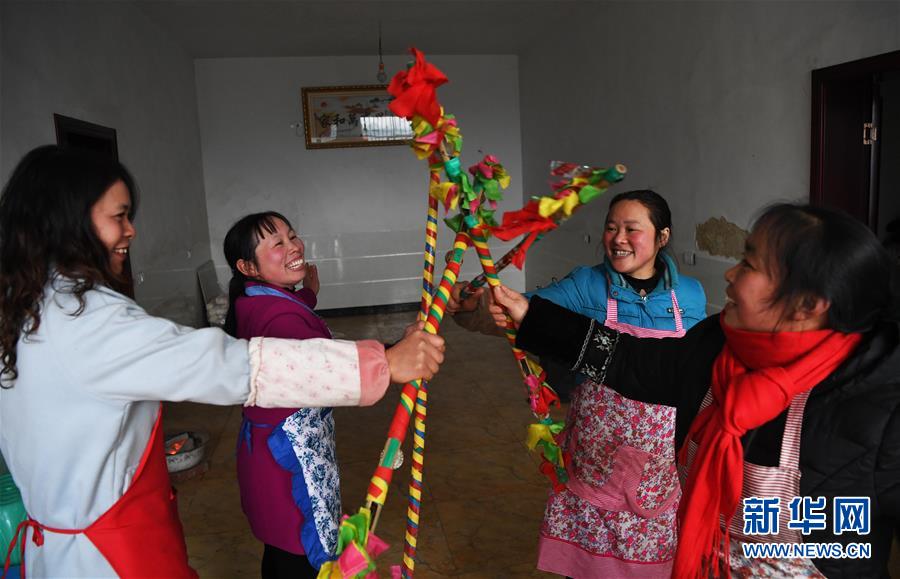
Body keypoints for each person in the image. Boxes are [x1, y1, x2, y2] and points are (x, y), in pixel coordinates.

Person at [0, 145, 445, 578]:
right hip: (105, 555)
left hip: (63, 543)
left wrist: (330, 311)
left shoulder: (25, 306)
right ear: (69, 222)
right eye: (119, 216)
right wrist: (383, 363)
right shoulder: (87, 320)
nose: (131, 230)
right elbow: (225, 365)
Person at [497, 203, 900, 578]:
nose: (730, 274)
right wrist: (532, 317)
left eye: (749, 264)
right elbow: (630, 360)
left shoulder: (881, 408)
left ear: (808, 305)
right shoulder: (717, 345)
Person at [449, 190, 707, 577]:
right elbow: (521, 312)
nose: (618, 239)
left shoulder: (690, 295)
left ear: (662, 236)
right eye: (611, 228)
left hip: (661, 468)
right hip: (595, 462)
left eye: (631, 229)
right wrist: (477, 307)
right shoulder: (586, 285)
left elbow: (695, 370)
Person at [222, 211, 343, 577]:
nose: (294, 246)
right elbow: (333, 369)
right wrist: (396, 355)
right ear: (248, 267)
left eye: (292, 236)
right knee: (299, 556)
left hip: (267, 455)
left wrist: (310, 292)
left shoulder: (254, 299)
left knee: (282, 550)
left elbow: (293, 306)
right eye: (278, 243)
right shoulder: (278, 318)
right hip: (288, 461)